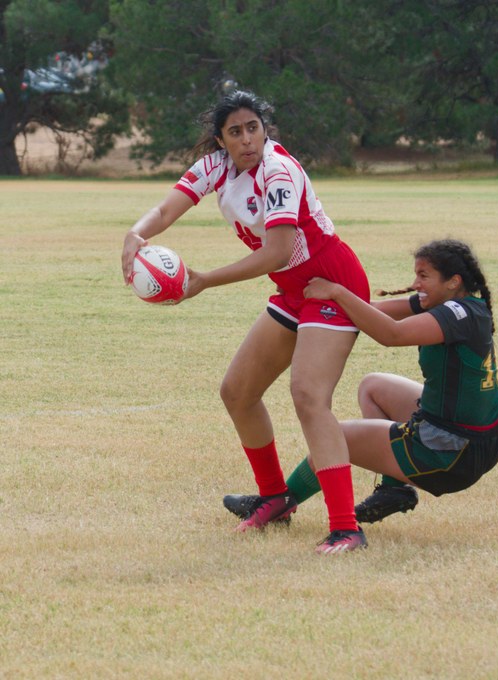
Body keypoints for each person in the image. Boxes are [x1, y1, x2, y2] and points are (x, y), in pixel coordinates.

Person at [120, 90, 371, 554]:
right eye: (235, 132)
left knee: (308, 396)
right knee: (237, 391)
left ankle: (346, 528)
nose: (247, 139)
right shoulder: (217, 166)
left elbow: (276, 251)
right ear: (221, 139)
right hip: (296, 291)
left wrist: (205, 280)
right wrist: (136, 233)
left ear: (264, 128)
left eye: (253, 127)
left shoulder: (279, 172)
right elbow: (167, 209)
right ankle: (276, 498)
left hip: (334, 283)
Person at [253, 238, 498, 543]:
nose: (416, 284)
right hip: (482, 435)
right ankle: (395, 490)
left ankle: (280, 502)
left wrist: (336, 291)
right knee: (373, 386)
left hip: (453, 452)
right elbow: (368, 311)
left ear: (454, 282)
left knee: (335, 438)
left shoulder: (456, 314)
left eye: (424, 276)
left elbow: (391, 333)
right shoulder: (456, 304)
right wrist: (307, 296)